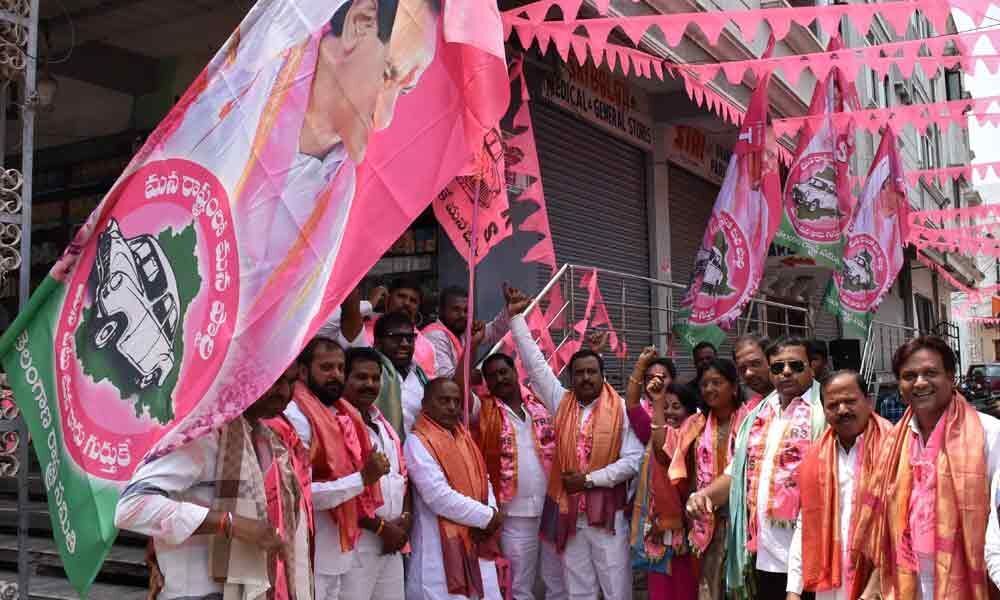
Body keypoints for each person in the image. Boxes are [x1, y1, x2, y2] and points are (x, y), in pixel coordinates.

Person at [115, 368, 309, 600]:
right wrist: (230, 523)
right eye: (276, 380)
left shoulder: (266, 440)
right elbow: (132, 507)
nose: (285, 392)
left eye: (291, 382)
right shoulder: (199, 434)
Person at [511, 302, 644, 600]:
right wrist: (517, 318)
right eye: (580, 373)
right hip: (570, 516)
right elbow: (535, 366)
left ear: (602, 375)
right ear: (571, 378)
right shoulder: (561, 402)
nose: (585, 378)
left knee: (616, 591)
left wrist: (588, 480)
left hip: (608, 518)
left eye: (592, 372)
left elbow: (633, 461)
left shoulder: (621, 409)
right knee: (578, 591)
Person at [687, 337, 826, 599]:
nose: (785, 372)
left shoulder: (825, 411)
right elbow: (736, 473)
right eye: (777, 367)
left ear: (811, 367)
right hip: (765, 552)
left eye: (795, 366)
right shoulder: (759, 414)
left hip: (812, 552)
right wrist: (704, 496)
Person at [869, 336, 1000, 599]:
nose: (919, 382)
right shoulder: (895, 439)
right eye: (909, 375)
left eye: (931, 373)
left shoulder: (988, 433)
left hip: (970, 576)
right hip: (908, 577)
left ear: (951, 377)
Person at [283, 337, 392, 600]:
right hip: (311, 552)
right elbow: (302, 493)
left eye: (341, 368)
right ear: (303, 371)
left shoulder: (343, 413)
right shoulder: (296, 415)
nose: (336, 375)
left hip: (341, 553)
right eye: (326, 368)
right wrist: (363, 478)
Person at [785, 370, 889, 600]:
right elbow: (806, 524)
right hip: (831, 583)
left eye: (850, 401)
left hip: (882, 582)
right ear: (824, 410)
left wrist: (875, 586)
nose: (842, 410)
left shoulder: (894, 448)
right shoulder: (815, 458)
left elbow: (904, 526)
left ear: (869, 401)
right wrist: (793, 590)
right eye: (833, 405)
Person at [476, 351, 567, 600]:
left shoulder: (540, 402)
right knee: (519, 585)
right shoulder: (483, 411)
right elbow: (461, 391)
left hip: (552, 507)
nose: (499, 379)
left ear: (516, 373)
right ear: (486, 383)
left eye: (504, 372)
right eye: (492, 376)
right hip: (514, 515)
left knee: (557, 580)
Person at [657, 358, 748, 600]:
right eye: (705, 384)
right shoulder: (693, 425)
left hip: (743, 519)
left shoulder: (751, 420)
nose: (709, 389)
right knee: (709, 587)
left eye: (716, 382)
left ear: (734, 387)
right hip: (706, 519)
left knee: (744, 587)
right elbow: (666, 455)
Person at [405, 378, 504, 599]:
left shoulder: (464, 437)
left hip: (477, 538)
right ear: (425, 404)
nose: (452, 407)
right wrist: (487, 516)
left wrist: (491, 514)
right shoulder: (417, 441)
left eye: (456, 402)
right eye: (444, 400)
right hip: (440, 551)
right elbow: (438, 496)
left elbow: (484, 480)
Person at [339, 347, 411, 600]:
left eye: (375, 377)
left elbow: (402, 476)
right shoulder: (337, 424)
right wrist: (381, 528)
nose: (369, 384)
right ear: (343, 379)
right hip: (359, 540)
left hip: (391, 539)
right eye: (360, 377)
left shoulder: (382, 423)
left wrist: (405, 518)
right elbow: (341, 488)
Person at [629, 375, 699, 600]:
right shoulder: (659, 435)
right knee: (660, 590)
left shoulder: (694, 437)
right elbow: (632, 405)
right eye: (665, 407)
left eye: (676, 407)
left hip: (686, 530)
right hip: (658, 529)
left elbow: (662, 450)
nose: (669, 412)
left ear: (689, 411)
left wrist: (658, 402)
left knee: (684, 589)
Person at [326, 279, 439, 376]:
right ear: (387, 299)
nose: (406, 303)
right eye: (401, 296)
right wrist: (369, 305)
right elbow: (326, 320)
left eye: (413, 301)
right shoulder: (363, 329)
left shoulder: (428, 346)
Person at [422, 285, 517, 379]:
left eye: (466, 310)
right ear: (441, 311)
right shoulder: (435, 335)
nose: (462, 315)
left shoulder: (461, 331)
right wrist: (483, 376)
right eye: (456, 309)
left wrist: (510, 310)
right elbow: (449, 379)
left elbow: (494, 331)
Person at [625, 347, 680, 441]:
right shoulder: (643, 410)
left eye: (663, 376)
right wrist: (641, 364)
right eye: (650, 377)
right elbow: (632, 403)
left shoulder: (689, 409)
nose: (656, 380)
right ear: (644, 382)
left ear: (673, 380)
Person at [733, 333, 774, 401]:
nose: (748, 373)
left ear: (771, 360)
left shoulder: (794, 402)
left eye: (755, 364)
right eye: (742, 368)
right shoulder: (751, 408)